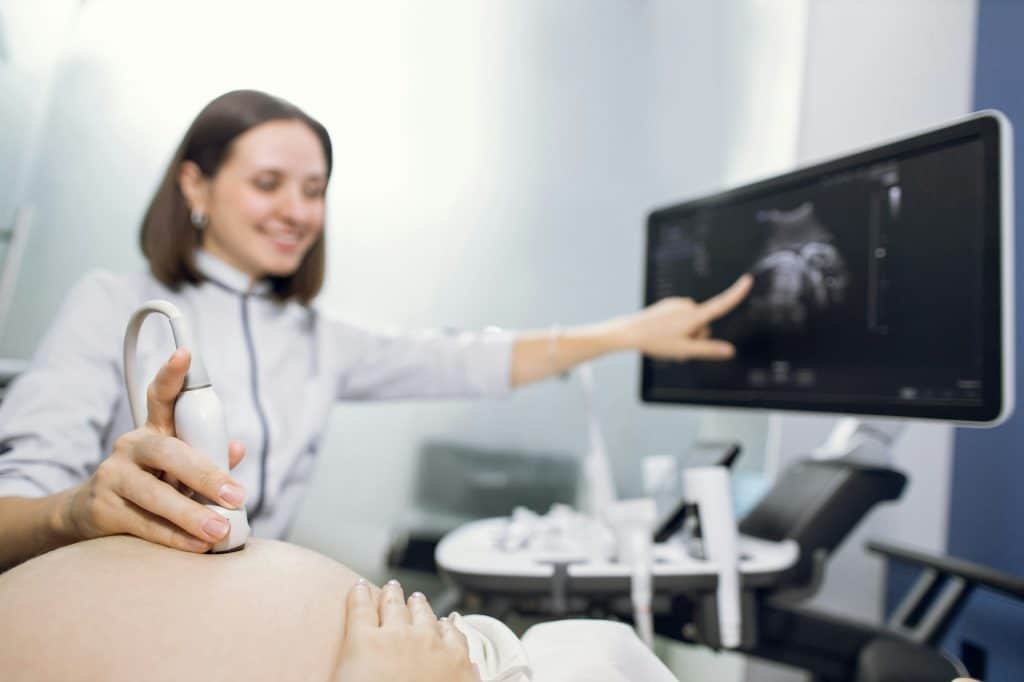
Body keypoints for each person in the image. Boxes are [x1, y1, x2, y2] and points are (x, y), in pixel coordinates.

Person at [0, 89, 752, 571]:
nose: (296, 211)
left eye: (314, 190)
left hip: (240, 610)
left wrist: (626, 333)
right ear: (195, 183)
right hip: (109, 611)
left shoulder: (317, 339)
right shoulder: (114, 307)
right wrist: (78, 511)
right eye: (267, 184)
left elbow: (462, 361)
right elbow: (10, 515)